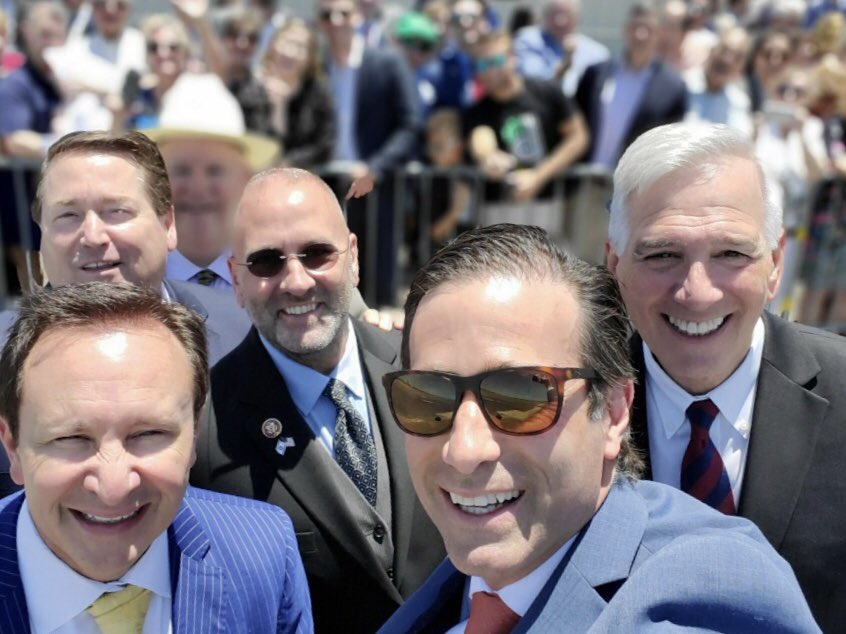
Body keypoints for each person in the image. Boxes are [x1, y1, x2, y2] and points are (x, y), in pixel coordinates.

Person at [376, 223, 819, 633]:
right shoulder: (459, 588)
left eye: (520, 396)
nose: (463, 449)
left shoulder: (700, 595)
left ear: (612, 413)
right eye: (429, 398)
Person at [606, 121, 846, 631]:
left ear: (775, 264)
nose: (698, 292)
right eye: (663, 254)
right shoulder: (573, 405)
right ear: (615, 263)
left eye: (731, 254)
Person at [191, 167, 445, 633]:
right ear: (236, 279)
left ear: (353, 257)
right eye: (267, 261)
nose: (297, 282)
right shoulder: (205, 429)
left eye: (317, 254)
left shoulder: (425, 369)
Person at [0, 282, 313, 633]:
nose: (113, 486)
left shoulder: (262, 551)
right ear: (12, 445)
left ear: (194, 434)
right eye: (72, 438)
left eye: (148, 434)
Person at [318, 0, 420, 305]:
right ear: (319, 22)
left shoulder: (387, 62)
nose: (336, 21)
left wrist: (375, 167)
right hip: (323, 184)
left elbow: (411, 123)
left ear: (358, 16)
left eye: (343, 14)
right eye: (327, 15)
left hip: (373, 187)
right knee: (326, 275)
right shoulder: (317, 66)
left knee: (375, 283)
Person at [145, 72, 279, 292]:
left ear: (245, 177)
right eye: (182, 170)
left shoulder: (278, 276)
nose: (198, 188)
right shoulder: (129, 281)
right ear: (156, 178)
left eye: (214, 170)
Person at [464, 29, 588, 239]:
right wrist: (489, 157)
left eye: (494, 61)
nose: (488, 71)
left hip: (547, 204)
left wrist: (539, 176)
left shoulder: (546, 91)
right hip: (499, 211)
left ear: (512, 58)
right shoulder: (478, 110)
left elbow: (578, 137)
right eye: (481, 65)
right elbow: (480, 138)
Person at [512, 0, 610, 97]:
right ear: (543, 16)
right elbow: (536, 84)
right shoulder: (528, 40)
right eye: (553, 14)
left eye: (567, 14)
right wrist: (565, 65)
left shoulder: (597, 53)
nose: (560, 21)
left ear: (578, 17)